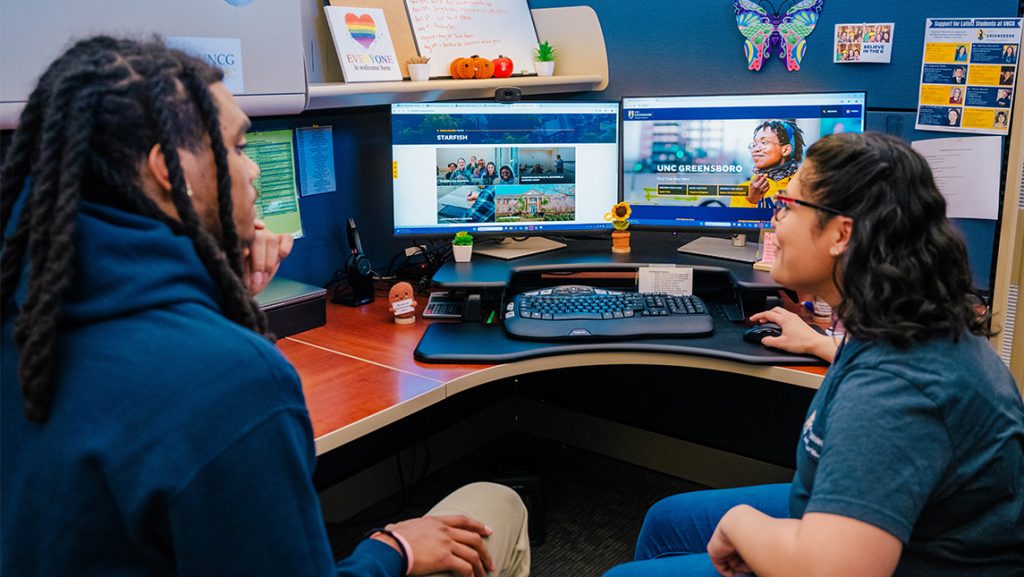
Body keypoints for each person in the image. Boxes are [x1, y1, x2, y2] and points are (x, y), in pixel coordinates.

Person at [1, 36, 531, 577]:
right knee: (496, 505)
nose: (252, 170)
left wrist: (227, 295)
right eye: (234, 148)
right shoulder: (228, 379)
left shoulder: (28, 312)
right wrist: (391, 549)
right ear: (172, 171)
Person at [604, 131, 1024, 577]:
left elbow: (834, 571)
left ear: (841, 234)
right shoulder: (904, 319)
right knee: (666, 521)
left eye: (787, 206)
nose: (776, 221)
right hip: (882, 527)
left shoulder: (896, 390)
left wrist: (740, 522)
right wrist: (816, 341)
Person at [734, 119, 805, 208]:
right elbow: (737, 221)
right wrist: (750, 202)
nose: (755, 150)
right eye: (754, 144)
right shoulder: (742, 190)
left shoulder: (806, 188)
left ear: (786, 150)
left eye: (764, 142)